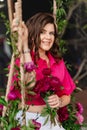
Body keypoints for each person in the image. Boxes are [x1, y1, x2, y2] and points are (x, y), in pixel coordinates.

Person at [9, 12, 76, 130]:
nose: (48, 37)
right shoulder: (23, 58)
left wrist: (59, 101)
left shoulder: (57, 61)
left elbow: (67, 95)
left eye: (51, 33)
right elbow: (28, 83)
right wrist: (24, 45)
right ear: (33, 32)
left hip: (51, 120)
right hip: (27, 120)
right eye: (42, 32)